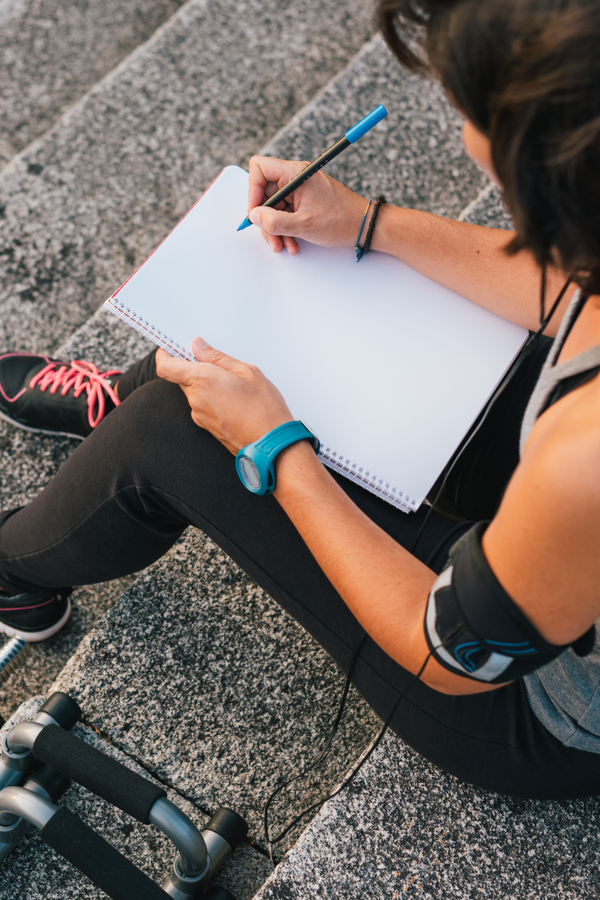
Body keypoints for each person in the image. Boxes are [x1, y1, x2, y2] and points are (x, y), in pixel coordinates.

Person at [0, 0, 599, 799]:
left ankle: (16, 573)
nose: (461, 133)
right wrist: (367, 224)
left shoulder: (584, 455)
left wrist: (279, 450)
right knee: (254, 335)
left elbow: (451, 653)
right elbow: (575, 287)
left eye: (467, 109)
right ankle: (123, 396)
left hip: (534, 709)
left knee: (173, 428)